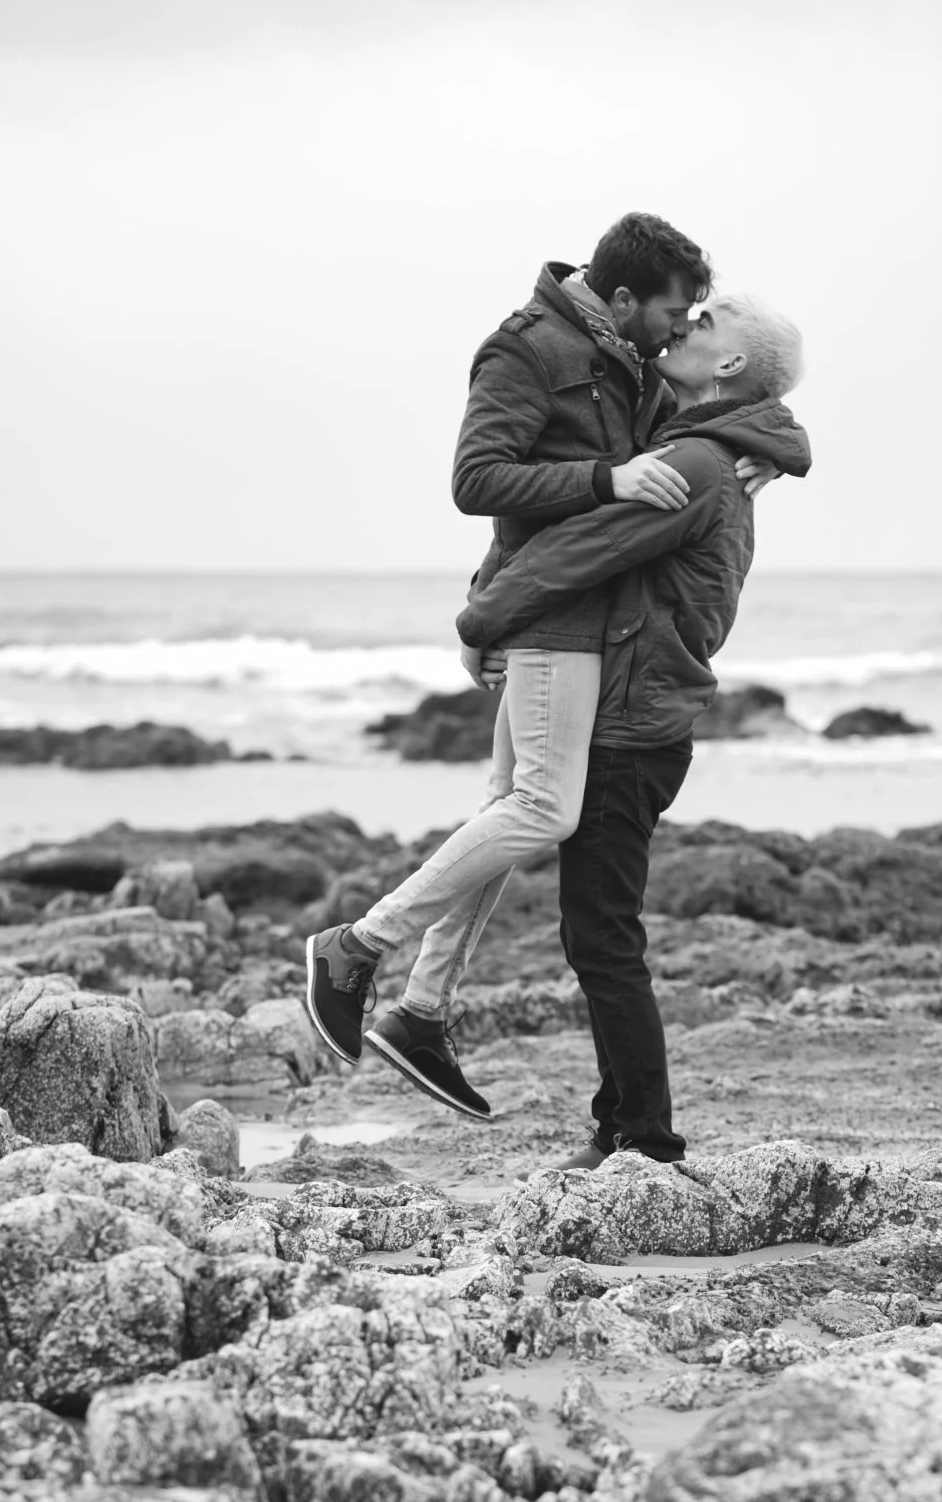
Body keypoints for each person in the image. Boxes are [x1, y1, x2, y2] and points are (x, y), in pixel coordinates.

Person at [302, 210, 712, 1108]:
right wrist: (602, 485)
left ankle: (420, 1011)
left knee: (505, 810)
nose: (682, 329)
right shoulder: (525, 350)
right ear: (620, 297)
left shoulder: (628, 361)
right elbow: (477, 482)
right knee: (545, 811)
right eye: (675, 312)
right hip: (554, 622)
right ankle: (358, 947)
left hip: (569, 616)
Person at [451, 289, 810, 1165]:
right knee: (596, 934)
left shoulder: (691, 462)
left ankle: (644, 1139)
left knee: (604, 939)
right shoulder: (699, 445)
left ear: (728, 364)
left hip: (630, 722)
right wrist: (783, 447)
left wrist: (479, 620)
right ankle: (620, 1123)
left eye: (708, 321)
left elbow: (577, 552)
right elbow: (772, 425)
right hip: (641, 714)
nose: (686, 324)